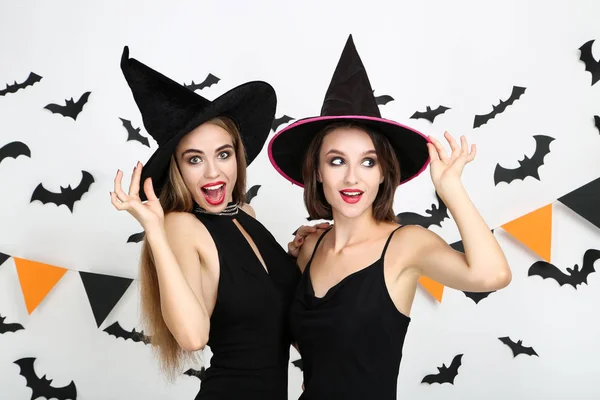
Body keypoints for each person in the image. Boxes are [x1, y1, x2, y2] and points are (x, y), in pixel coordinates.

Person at [268, 35, 512, 399]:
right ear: (316, 171)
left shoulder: (406, 244)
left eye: (368, 162)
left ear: (384, 172)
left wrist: (450, 189)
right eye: (337, 161)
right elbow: (325, 347)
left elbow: (492, 275)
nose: (353, 178)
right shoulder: (310, 247)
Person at [111, 46, 328, 400]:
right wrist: (156, 230)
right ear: (176, 169)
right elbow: (193, 337)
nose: (213, 173)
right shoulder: (182, 226)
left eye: (223, 154)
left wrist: (297, 261)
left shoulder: (247, 215)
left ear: (237, 156)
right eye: (194, 159)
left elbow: (287, 327)